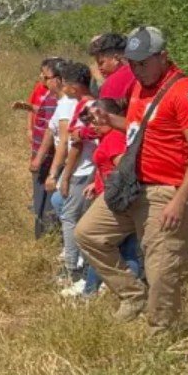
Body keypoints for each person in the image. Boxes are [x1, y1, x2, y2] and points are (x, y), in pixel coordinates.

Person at [75, 27, 188, 332]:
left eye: (142, 63)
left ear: (162, 57)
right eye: (132, 63)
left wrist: (180, 200)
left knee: (161, 268)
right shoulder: (139, 87)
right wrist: (111, 121)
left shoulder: (184, 93)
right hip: (133, 185)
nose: (137, 70)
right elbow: (140, 128)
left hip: (166, 190)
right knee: (87, 234)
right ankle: (132, 294)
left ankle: (161, 333)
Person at [65, 98, 141, 298]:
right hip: (110, 197)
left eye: (94, 121)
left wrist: (111, 190)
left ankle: (101, 292)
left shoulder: (114, 138)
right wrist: (96, 184)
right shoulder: (109, 137)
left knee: (109, 246)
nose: (91, 126)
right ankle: (103, 290)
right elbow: (107, 167)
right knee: (115, 248)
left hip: (117, 203)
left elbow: (124, 170)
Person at [50, 62, 97, 283]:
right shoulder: (88, 105)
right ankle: (79, 263)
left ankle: (73, 268)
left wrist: (66, 176)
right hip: (85, 169)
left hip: (83, 171)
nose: (63, 88)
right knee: (65, 208)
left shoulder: (87, 108)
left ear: (74, 87)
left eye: (66, 84)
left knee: (70, 218)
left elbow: (76, 145)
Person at [16, 58, 63, 239]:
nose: (42, 79)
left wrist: (39, 159)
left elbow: (50, 133)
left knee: (46, 201)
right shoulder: (51, 96)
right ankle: (43, 235)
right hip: (44, 158)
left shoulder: (57, 101)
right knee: (41, 199)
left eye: (46, 76)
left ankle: (46, 236)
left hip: (47, 160)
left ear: (58, 78)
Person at [90, 33, 136, 105]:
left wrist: (102, 82)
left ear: (116, 58)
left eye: (101, 63)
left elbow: (106, 110)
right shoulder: (143, 71)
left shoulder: (113, 83)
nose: (99, 68)